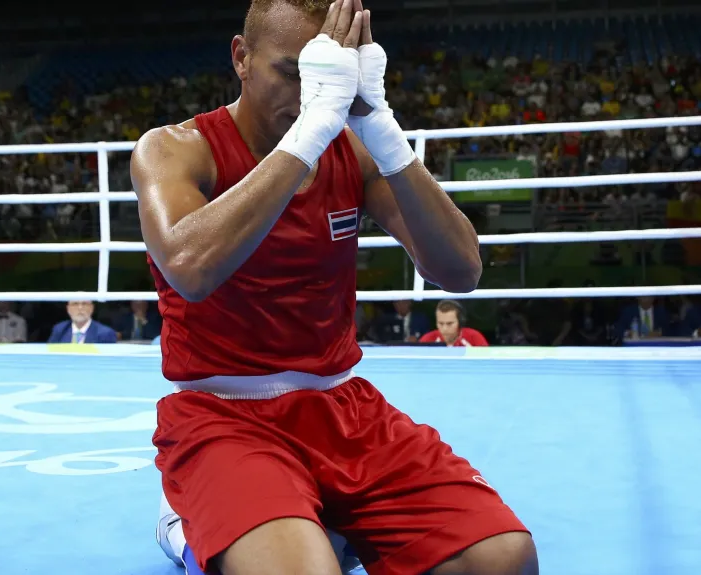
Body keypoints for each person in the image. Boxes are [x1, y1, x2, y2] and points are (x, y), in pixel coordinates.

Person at [131, 0, 537, 574]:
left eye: (323, 79)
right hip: (221, 417)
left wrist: (382, 128)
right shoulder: (174, 149)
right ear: (241, 58)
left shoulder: (356, 151)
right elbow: (189, 268)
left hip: (344, 411)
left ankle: (316, 518)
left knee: (502, 560)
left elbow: (461, 271)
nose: (307, 96)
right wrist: (311, 131)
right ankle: (193, 519)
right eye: (291, 73)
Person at [419, 300, 489, 347]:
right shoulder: (427, 340)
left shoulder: (474, 337)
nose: (445, 329)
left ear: (460, 322)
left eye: (450, 324)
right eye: (441, 323)